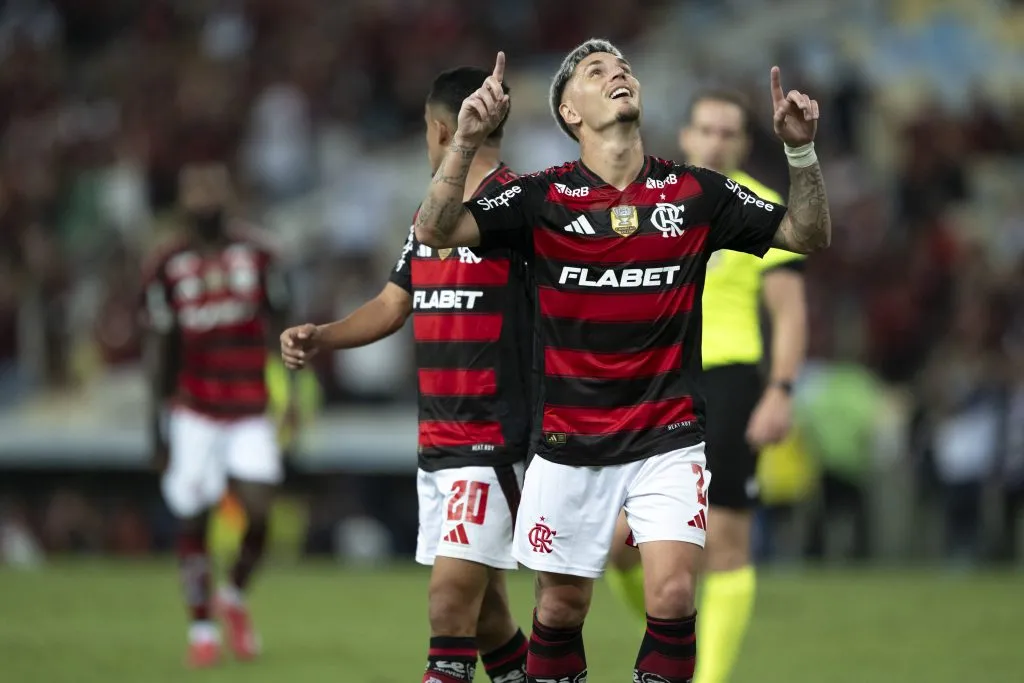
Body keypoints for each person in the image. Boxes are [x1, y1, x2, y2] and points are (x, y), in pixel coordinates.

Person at [414, 42, 831, 683]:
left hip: (668, 433)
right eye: (596, 71)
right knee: (560, 606)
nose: (619, 75)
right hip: (567, 439)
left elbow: (807, 234)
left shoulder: (694, 192)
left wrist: (800, 153)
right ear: (569, 111)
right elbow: (436, 232)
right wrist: (465, 142)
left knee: (671, 596)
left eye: (625, 68)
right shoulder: (540, 197)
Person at [280, 67, 531, 683]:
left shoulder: (524, 206)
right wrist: (325, 336)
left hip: (491, 438)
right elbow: (394, 303)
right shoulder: (430, 217)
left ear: (442, 130)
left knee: (449, 605)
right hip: (438, 441)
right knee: (489, 615)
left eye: (425, 130)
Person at [603, 88, 809, 683]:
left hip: (727, 380)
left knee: (724, 542)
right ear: (686, 136)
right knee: (617, 545)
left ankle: (705, 678)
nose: (716, 141)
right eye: (706, 130)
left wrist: (782, 389)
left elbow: (790, 312)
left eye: (729, 132)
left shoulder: (759, 205)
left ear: (743, 143)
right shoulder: (649, 200)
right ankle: (671, 644)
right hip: (652, 384)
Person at [141, 160, 294, 667]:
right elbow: (160, 348)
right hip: (194, 410)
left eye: (213, 186)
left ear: (228, 194)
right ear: (182, 199)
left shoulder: (261, 254)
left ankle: (233, 595)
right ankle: (202, 628)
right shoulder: (165, 265)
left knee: (260, 509)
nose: (204, 196)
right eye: (195, 187)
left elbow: (283, 325)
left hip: (249, 403)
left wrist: (291, 394)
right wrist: (157, 429)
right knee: (194, 516)